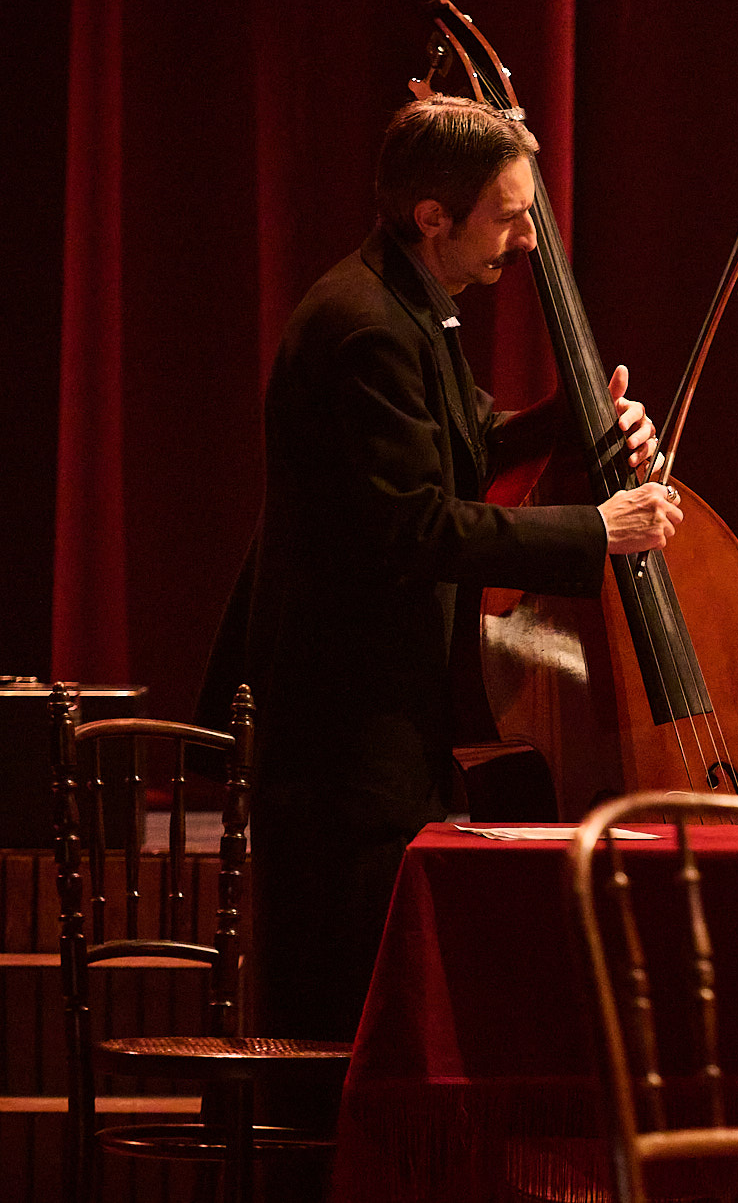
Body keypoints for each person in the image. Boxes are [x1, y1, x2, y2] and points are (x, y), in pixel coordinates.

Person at [204, 94, 686, 1047]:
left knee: (374, 1016)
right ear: (434, 216)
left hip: (379, 727)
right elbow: (416, 524)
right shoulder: (367, 327)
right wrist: (598, 529)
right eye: (509, 218)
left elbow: (468, 438)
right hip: (345, 740)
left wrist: (578, 420)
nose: (529, 241)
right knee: (344, 1021)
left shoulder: (407, 303)